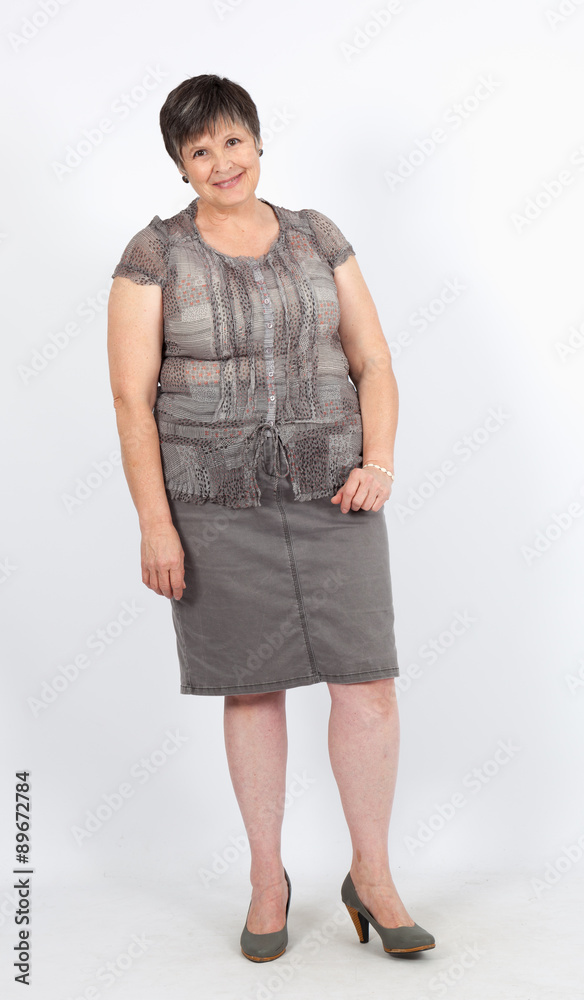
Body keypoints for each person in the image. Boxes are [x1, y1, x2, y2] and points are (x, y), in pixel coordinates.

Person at [107, 74, 435, 962]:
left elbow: (372, 360)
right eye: (199, 150)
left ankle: (373, 877)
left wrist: (377, 461)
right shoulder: (153, 254)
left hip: (336, 492)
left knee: (367, 683)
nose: (221, 162)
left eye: (232, 141)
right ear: (180, 165)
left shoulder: (316, 234)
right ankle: (265, 880)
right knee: (251, 688)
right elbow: (132, 401)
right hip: (215, 506)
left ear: (257, 142)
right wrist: (155, 524)